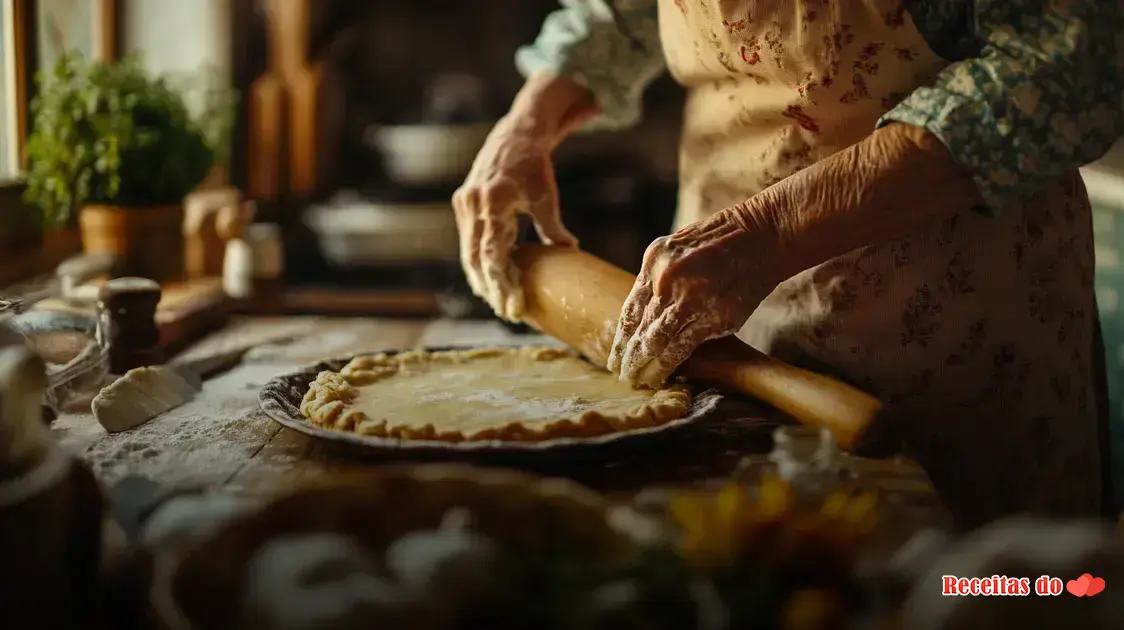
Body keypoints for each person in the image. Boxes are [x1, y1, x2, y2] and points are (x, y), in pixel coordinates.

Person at [452, 0, 1124, 528]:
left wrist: (768, 231)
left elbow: (1068, 64)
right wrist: (529, 120)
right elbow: (624, 9)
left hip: (957, 330)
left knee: (979, 593)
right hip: (716, 315)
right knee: (777, 578)